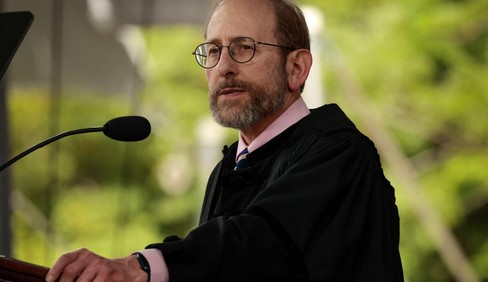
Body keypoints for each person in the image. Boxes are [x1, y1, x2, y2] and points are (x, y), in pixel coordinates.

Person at [46, 0, 404, 281]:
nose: (224, 67)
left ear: (296, 68)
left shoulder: (338, 153)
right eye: (213, 50)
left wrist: (140, 266)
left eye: (244, 47)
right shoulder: (229, 167)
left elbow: (260, 245)